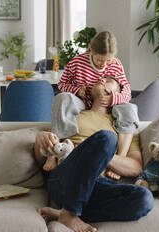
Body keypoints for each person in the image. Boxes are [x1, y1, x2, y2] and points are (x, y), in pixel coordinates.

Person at [35, 78, 154, 232]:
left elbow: (136, 167)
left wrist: (100, 153)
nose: (102, 78)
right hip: (66, 178)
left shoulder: (125, 129)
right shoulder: (71, 115)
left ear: (117, 95)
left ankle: (64, 212)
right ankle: (70, 214)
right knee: (107, 138)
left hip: (99, 185)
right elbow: (43, 161)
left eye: (109, 80)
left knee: (144, 199)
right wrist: (40, 141)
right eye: (100, 78)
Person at [54, 31, 138, 179]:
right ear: (91, 50)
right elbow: (62, 84)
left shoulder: (116, 64)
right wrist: (76, 90)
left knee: (129, 107)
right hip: (82, 101)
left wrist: (114, 99)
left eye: (108, 60)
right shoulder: (77, 62)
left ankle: (121, 157)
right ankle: (58, 148)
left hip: (110, 105)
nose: (104, 65)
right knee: (63, 98)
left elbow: (127, 91)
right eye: (100, 60)